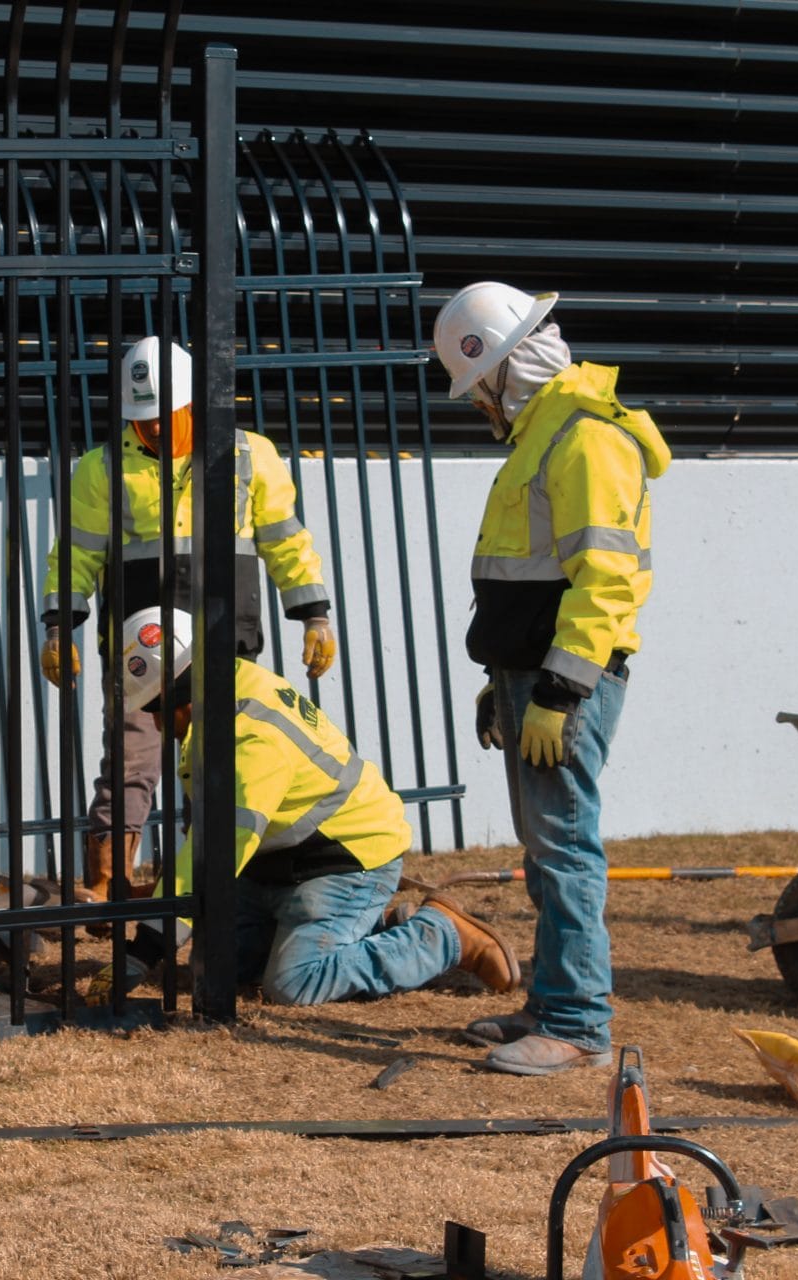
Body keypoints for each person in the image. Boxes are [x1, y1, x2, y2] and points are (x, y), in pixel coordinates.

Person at [432, 282, 670, 1075]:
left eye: (479, 388)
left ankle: (576, 1024)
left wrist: (560, 692)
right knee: (546, 852)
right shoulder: (546, 436)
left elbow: (606, 582)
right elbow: (530, 583)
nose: (478, 406)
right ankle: (551, 1005)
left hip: (562, 683)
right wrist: (501, 682)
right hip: (532, 678)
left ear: (507, 369)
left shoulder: (584, 440)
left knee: (564, 849)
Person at [87, 608, 517, 1008]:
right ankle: (374, 931)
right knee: (216, 967)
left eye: (156, 709)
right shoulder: (226, 687)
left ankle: (440, 936)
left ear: (183, 693)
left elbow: (216, 848)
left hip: (342, 860)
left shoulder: (250, 737)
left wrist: (143, 951)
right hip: (277, 863)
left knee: (294, 981)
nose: (156, 724)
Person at [41, 337, 336, 909]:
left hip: (223, 642)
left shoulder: (249, 455)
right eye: (142, 417)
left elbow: (286, 541)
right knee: (130, 761)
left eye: (163, 415)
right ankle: (107, 887)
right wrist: (58, 627)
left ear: (192, 402)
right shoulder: (102, 467)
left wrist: (314, 614)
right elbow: (75, 554)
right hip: (140, 647)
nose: (152, 427)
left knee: (218, 763)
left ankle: (208, 888)